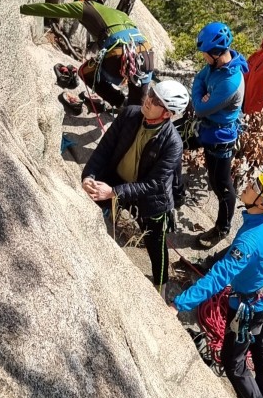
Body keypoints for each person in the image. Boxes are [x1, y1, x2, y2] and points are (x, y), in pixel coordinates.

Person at [174, 170, 263, 398]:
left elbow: (218, 277)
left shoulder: (249, 241)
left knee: (232, 360)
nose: (248, 185)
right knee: (262, 349)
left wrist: (179, 304)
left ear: (261, 201)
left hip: (249, 307)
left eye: (255, 186)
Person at [80, 77, 189, 296]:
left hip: (150, 200)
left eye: (156, 101)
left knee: (156, 246)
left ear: (167, 113)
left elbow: (154, 184)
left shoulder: (172, 143)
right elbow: (105, 149)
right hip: (116, 180)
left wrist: (113, 192)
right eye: (151, 94)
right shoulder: (130, 114)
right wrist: (88, 176)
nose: (148, 100)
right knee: (94, 214)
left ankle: (161, 287)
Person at [20, 0, 155, 110]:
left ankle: (120, 102)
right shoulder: (122, 14)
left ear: (85, 1)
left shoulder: (85, 6)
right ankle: (134, 115)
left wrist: (21, 8)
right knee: (137, 109)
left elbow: (52, 9)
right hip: (146, 54)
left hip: (120, 54)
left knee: (86, 72)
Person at [190, 21, 249, 249]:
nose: (203, 57)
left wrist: (201, 97)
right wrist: (201, 93)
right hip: (208, 128)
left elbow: (200, 107)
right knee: (172, 140)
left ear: (216, 53)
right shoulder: (215, 67)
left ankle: (222, 228)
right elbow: (199, 79)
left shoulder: (231, 81)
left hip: (220, 139)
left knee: (221, 184)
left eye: (205, 53)